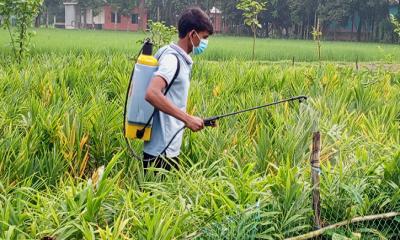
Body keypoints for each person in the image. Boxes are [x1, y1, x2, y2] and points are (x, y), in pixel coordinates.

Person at [143, 7, 214, 171]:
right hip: (162, 151)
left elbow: (171, 98)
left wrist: (198, 120)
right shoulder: (171, 60)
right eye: (204, 37)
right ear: (192, 34)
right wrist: (188, 119)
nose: (205, 43)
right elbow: (152, 93)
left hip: (165, 147)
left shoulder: (170, 54)